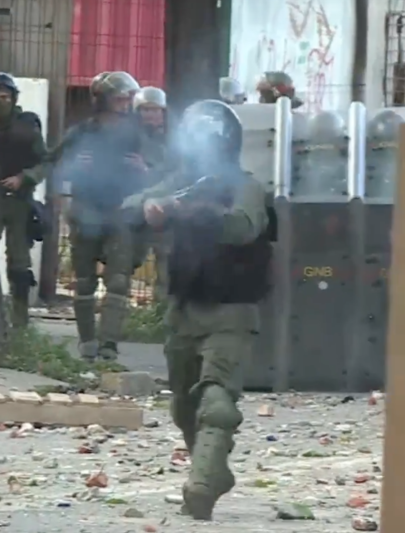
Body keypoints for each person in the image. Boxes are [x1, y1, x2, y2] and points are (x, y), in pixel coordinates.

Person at [122, 99, 273, 520]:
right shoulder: (182, 181)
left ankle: (202, 485)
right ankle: (212, 470)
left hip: (232, 309)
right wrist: (148, 208)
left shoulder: (247, 186)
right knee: (182, 408)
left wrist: (186, 211)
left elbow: (243, 227)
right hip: (184, 309)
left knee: (217, 400)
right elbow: (131, 205)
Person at [34, 71, 146, 361]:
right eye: (120, 97)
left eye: (129, 97)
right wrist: (71, 170)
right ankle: (87, 342)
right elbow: (51, 160)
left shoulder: (138, 132)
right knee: (84, 281)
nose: (126, 102)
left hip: (122, 210)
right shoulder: (83, 132)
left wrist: (145, 168)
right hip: (85, 211)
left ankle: (109, 345)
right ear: (103, 99)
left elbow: (166, 168)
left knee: (119, 281)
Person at [0, 73, 47, 327]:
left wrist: (24, 177)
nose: (0, 102)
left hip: (18, 202)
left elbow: (44, 162)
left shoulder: (26, 127)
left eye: (4, 97)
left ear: (13, 98)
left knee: (19, 266)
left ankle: (20, 324)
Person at [133, 86, 172, 300]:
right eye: (145, 110)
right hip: (135, 206)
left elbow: (177, 171)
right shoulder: (129, 137)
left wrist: (149, 170)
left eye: (155, 110)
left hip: (163, 206)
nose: (150, 115)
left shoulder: (173, 139)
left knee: (166, 263)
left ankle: (161, 315)